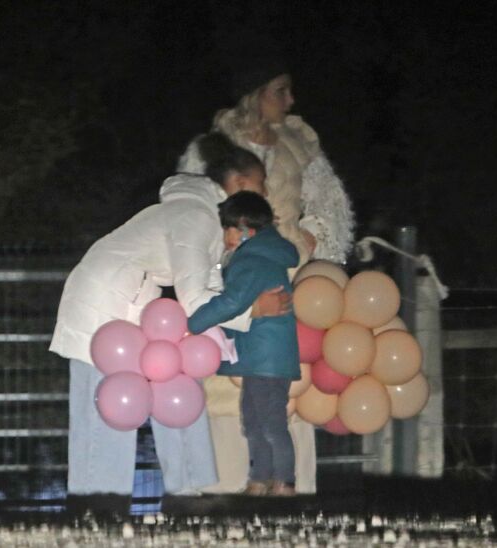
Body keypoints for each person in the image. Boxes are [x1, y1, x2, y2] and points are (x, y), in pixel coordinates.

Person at [50, 132, 290, 500]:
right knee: (104, 410)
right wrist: (254, 311)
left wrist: (240, 312)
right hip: (102, 304)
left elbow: (209, 289)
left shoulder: (206, 219)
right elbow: (197, 301)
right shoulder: (196, 218)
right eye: (262, 185)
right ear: (240, 185)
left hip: (127, 302)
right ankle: (99, 507)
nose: (267, 195)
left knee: (153, 391)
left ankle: (183, 492)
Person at [177, 49, 355, 494]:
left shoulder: (298, 145)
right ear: (255, 95)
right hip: (230, 268)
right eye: (281, 90)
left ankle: (288, 481)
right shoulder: (212, 147)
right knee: (225, 379)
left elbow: (330, 205)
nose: (291, 100)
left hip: (285, 271)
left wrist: (313, 233)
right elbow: (191, 211)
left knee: (283, 385)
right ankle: (230, 482)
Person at [187, 191, 300, 496]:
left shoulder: (250, 260)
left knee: (270, 423)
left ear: (244, 228)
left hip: (265, 359)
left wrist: (193, 324)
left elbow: (232, 302)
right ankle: (260, 479)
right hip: (264, 357)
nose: (224, 237)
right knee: (255, 421)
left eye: (227, 229)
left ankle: (284, 482)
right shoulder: (264, 256)